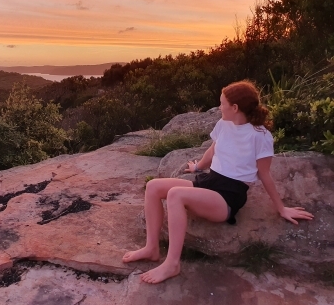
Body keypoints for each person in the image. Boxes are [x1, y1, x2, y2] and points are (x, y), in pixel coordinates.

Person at [122, 80, 314, 284]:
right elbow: (213, 150)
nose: (219, 107)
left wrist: (281, 208)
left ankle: (172, 264)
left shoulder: (260, 136)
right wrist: (197, 167)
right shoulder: (224, 124)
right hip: (210, 180)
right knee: (153, 187)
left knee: (175, 194)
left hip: (229, 195)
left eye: (222, 103)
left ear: (235, 108)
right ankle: (151, 248)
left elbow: (265, 174)